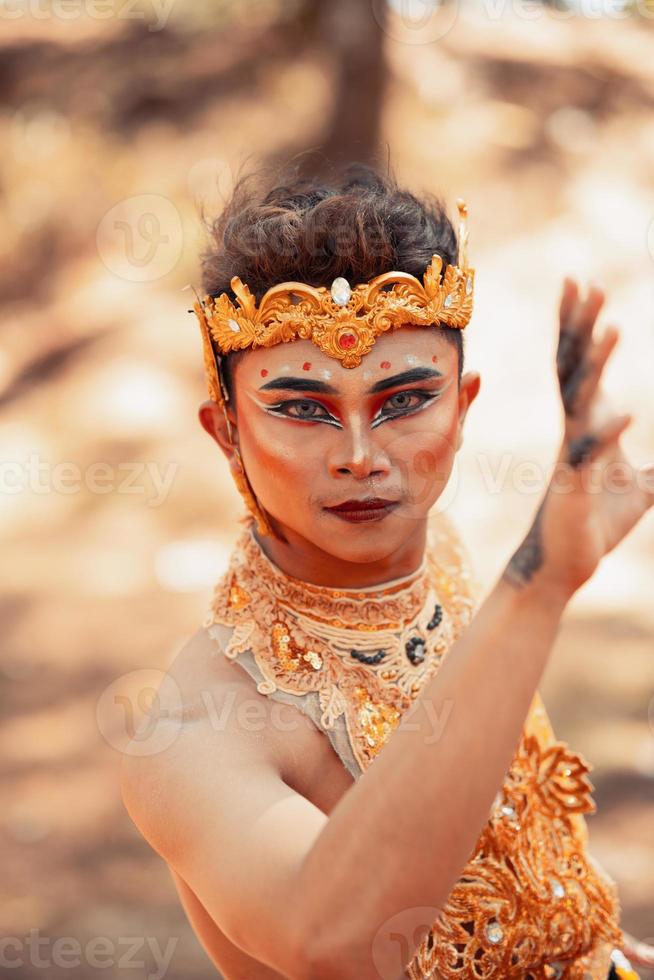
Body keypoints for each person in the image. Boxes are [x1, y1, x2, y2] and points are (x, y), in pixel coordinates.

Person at [121, 160, 654, 979]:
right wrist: (541, 581)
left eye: (404, 400)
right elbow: (332, 939)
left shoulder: (441, 561)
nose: (362, 458)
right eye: (303, 410)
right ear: (225, 431)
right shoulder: (190, 733)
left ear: (464, 406)